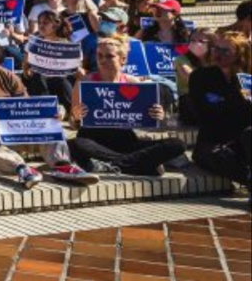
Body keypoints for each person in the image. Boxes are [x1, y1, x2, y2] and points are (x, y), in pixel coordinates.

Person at [0, 39, 97, 188]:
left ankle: (63, 165)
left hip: (8, 129)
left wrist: (50, 114)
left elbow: (27, 106)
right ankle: (21, 168)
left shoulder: (7, 76)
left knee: (50, 124)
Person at [67, 38, 186, 176]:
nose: (102, 60)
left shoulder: (132, 82)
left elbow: (149, 121)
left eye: (109, 56)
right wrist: (76, 116)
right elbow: (73, 123)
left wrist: (158, 115)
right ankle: (137, 165)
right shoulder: (84, 82)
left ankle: (119, 164)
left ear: (122, 59)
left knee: (177, 144)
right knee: (76, 144)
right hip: (93, 140)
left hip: (126, 141)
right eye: (99, 55)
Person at [187, 31, 251, 189]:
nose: (218, 53)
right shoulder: (201, 76)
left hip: (244, 140)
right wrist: (237, 101)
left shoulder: (247, 79)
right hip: (213, 142)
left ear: (239, 55)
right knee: (220, 157)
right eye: (216, 48)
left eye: (225, 50)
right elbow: (203, 113)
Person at [173, 28, 212, 125]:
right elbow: (194, 80)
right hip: (190, 100)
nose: (196, 44)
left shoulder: (215, 59)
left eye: (201, 41)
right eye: (193, 40)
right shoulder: (181, 59)